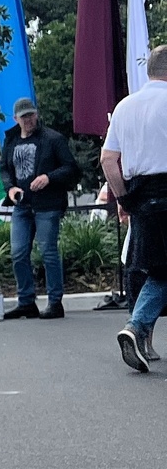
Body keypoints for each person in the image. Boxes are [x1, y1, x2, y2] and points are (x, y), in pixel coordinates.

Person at [101, 45, 167, 371]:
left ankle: (136, 327)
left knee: (157, 269)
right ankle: (136, 326)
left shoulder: (125, 106)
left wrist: (124, 199)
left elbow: (107, 160)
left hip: (140, 197)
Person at [0, 97, 79, 320]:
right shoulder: (11, 140)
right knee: (18, 252)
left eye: (31, 115)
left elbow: (71, 168)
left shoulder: (53, 139)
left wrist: (49, 178)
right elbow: (4, 168)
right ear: (16, 119)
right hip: (22, 204)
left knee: (48, 252)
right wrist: (10, 188)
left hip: (48, 205)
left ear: (36, 114)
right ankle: (26, 301)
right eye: (24, 116)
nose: (28, 119)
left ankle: (55, 302)